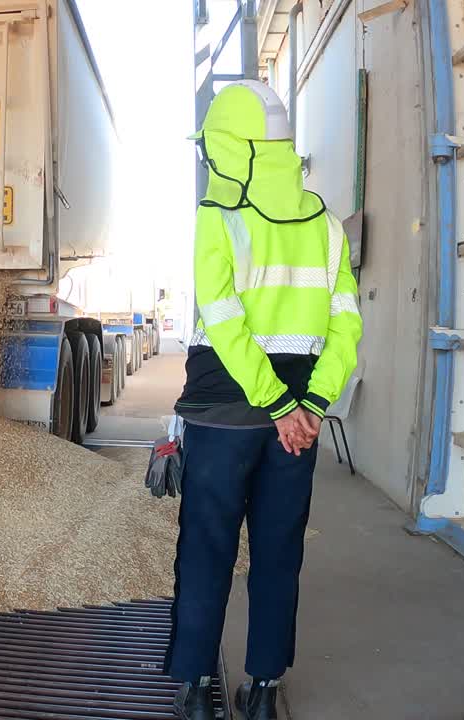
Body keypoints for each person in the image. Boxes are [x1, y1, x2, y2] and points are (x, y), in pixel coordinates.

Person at [166, 80, 363, 720]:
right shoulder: (328, 225)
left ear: (237, 148)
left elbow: (221, 316)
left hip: (226, 408)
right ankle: (264, 690)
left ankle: (196, 688)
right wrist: (309, 405)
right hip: (298, 420)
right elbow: (346, 327)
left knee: (207, 547)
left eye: (214, 147)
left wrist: (276, 405)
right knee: (279, 552)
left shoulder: (218, 215)